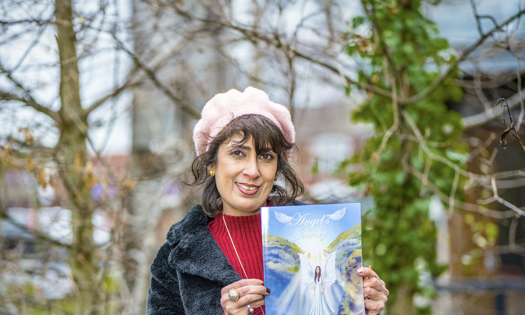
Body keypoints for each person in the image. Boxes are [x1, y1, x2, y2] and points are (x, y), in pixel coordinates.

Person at [147, 87, 389, 315]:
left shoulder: (320, 234)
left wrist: (366, 308)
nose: (253, 171)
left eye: (265, 156)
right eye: (237, 153)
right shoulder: (176, 258)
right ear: (212, 163)